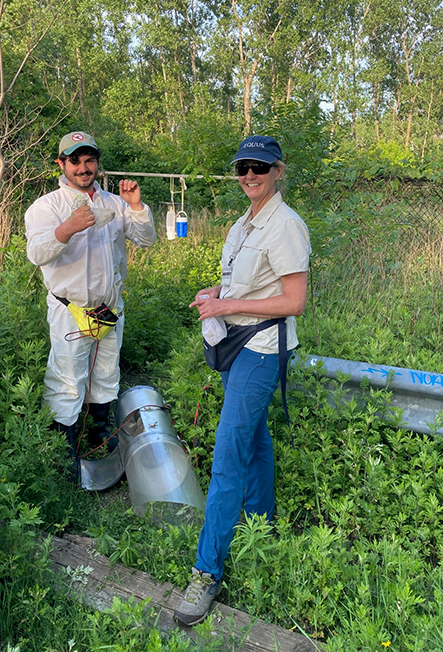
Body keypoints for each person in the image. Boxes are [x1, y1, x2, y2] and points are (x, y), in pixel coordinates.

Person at [174, 135, 310, 626]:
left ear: (278, 170)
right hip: (236, 345)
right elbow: (248, 282)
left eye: (259, 166)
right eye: (242, 167)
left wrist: (227, 305)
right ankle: (262, 525)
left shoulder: (287, 225)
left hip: (263, 350)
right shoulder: (242, 224)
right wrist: (217, 291)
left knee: (228, 452)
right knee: (253, 439)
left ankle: (204, 572)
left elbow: (293, 301)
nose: (249, 174)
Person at [25, 131, 156, 472]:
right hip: (71, 309)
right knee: (67, 379)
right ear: (61, 164)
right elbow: (36, 253)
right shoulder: (47, 207)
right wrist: (66, 228)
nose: (83, 168)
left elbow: (145, 240)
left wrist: (137, 206)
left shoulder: (114, 203)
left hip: (110, 309)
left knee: (106, 373)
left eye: (89, 160)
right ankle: (63, 451)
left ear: (97, 163)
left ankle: (100, 433)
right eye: (75, 161)